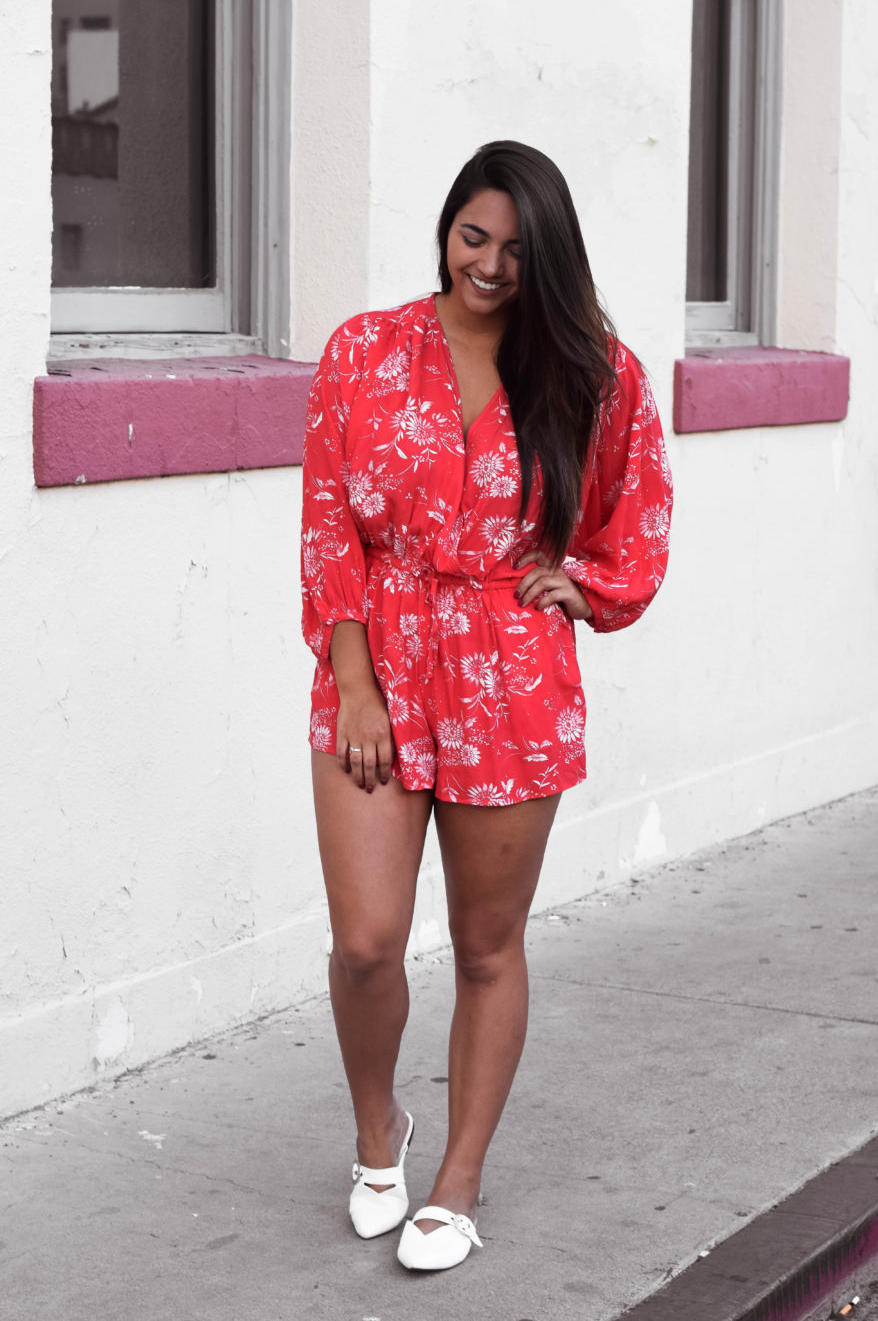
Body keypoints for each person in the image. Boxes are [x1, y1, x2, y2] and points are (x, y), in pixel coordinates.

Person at [300, 140, 672, 1272]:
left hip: (512, 677)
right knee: (366, 944)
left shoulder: (592, 371)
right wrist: (354, 684)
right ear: (446, 229)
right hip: (380, 660)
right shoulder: (363, 351)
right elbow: (330, 530)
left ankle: (457, 1180)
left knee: (484, 944)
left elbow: (638, 510)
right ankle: (381, 1137)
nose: (492, 265)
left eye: (518, 248)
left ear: (547, 256)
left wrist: (589, 587)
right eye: (475, 236)